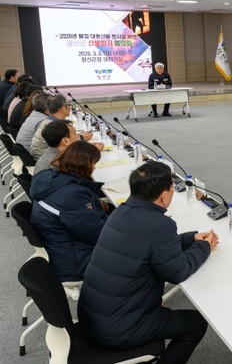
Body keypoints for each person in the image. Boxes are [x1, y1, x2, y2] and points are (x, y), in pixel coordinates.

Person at [78, 161, 217, 364]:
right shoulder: (161, 225)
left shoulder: (120, 212)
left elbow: (151, 247)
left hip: (93, 318)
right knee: (195, 324)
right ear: (164, 195)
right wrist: (204, 247)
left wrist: (191, 239)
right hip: (120, 330)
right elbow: (178, 272)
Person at [30, 141, 107, 282]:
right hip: (75, 262)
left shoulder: (53, 178)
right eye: (93, 163)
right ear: (84, 164)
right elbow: (97, 234)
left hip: (61, 246)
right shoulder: (72, 195)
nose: (95, 168)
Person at [31, 94, 98, 159]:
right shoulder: (54, 126)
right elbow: (65, 145)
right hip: (48, 158)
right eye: (69, 105)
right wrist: (83, 140)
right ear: (63, 108)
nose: (70, 107)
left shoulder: (49, 121)